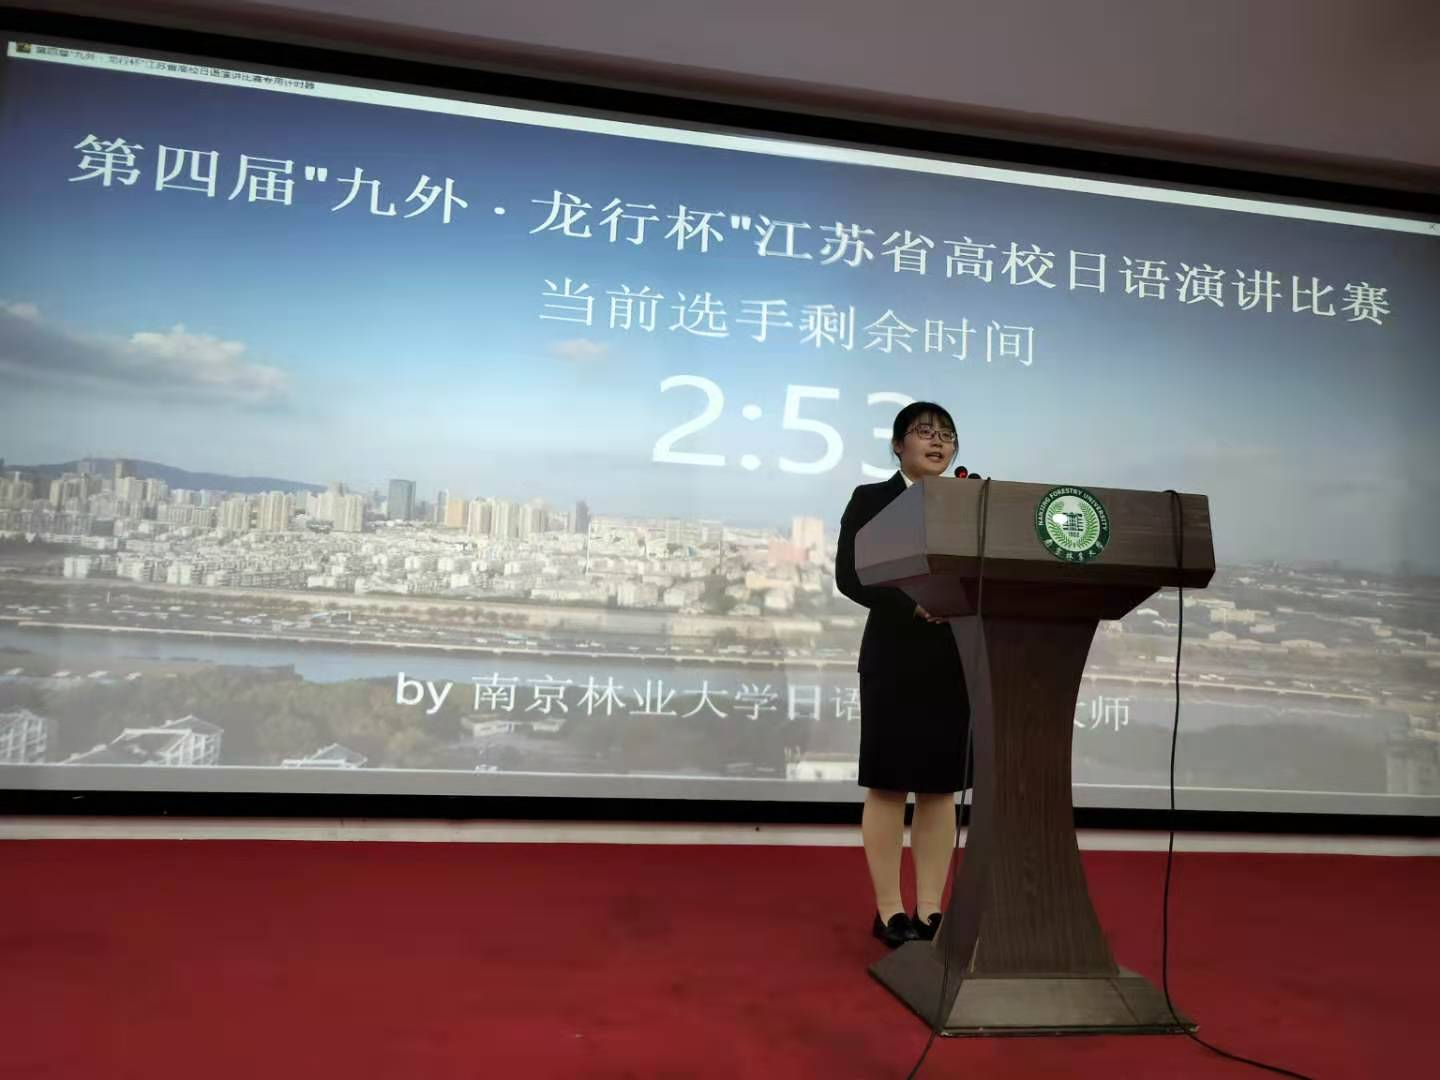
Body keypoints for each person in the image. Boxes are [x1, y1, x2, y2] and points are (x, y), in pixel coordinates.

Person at [834, 402, 971, 948]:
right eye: (924, 433)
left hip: (952, 656)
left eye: (947, 435)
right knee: (890, 783)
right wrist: (913, 606)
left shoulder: (969, 502)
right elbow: (852, 575)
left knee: (939, 787)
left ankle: (931, 909)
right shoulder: (872, 499)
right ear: (897, 445)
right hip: (893, 653)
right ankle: (889, 910)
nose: (938, 442)